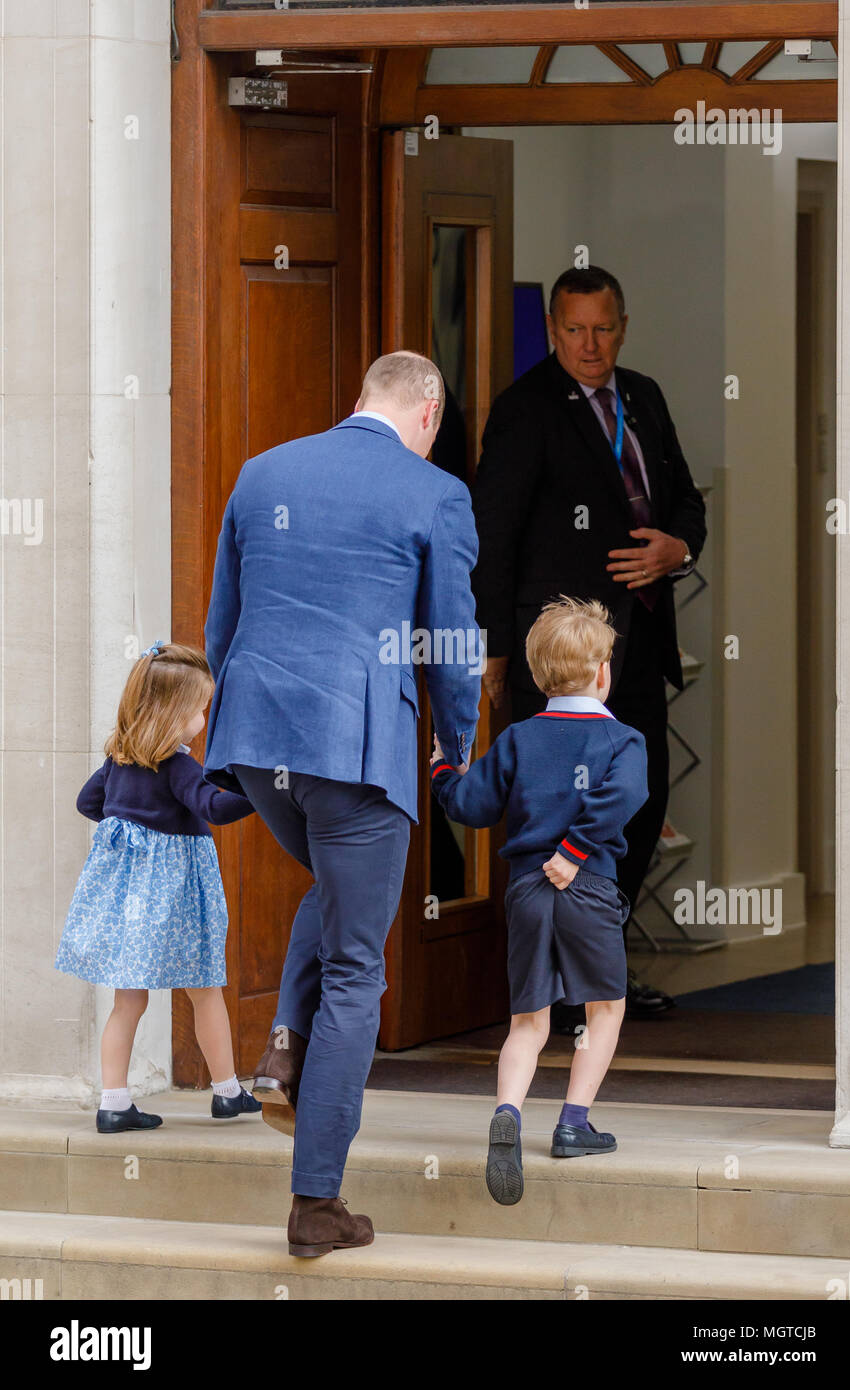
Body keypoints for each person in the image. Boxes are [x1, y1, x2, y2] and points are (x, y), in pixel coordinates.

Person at [203, 351, 481, 1258]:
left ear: (361, 400)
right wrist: (455, 736)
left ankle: (286, 1042)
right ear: (429, 411)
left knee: (334, 884)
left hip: (257, 740)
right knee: (360, 968)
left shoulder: (263, 471)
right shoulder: (434, 491)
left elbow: (222, 624)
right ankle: (316, 1203)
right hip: (357, 748)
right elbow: (450, 636)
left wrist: (226, 731)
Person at [472, 264, 706, 1022]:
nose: (590, 344)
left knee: (639, 805)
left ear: (624, 326)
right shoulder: (524, 409)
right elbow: (493, 538)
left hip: (638, 644)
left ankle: (596, 967)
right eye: (574, 329)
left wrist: (681, 549)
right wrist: (497, 651)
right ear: (552, 331)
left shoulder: (644, 395)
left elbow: (686, 502)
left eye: (603, 328)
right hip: (561, 656)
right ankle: (557, 988)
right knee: (558, 816)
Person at [431, 598, 647, 1205]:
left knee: (529, 1018)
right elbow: (622, 797)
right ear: (603, 672)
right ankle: (574, 1123)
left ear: (535, 675)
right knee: (604, 1008)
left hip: (526, 888)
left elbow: (472, 805)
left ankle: (508, 1110)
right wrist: (576, 851)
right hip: (590, 887)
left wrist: (444, 773)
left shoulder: (519, 738)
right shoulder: (622, 739)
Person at [54, 641, 259, 1133]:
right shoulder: (178, 765)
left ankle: (114, 1102)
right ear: (173, 714)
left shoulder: (118, 760)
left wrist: (132, 826)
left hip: (131, 899)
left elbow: (89, 803)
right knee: (205, 991)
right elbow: (213, 807)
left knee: (129, 1001)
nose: (203, 720)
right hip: (177, 896)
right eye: (198, 710)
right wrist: (262, 794)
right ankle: (227, 1092)